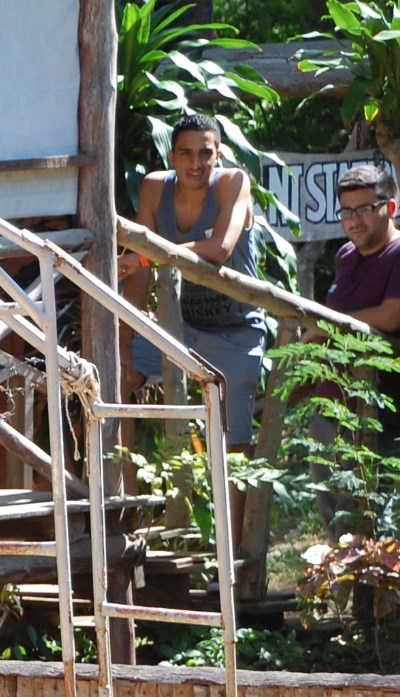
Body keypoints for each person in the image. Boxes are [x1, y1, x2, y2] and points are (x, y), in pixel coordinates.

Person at [119, 112, 266, 450]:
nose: (195, 162)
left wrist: (145, 256)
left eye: (205, 153)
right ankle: (122, 499)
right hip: (180, 328)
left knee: (233, 447)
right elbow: (139, 275)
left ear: (219, 154)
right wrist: (123, 341)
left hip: (235, 331)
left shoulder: (233, 182)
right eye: (186, 153)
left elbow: (220, 249)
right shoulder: (156, 188)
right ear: (172, 157)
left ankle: (232, 506)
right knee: (114, 379)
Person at [327, 161, 400, 449]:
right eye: (346, 211)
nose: (354, 220)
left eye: (365, 209)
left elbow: (393, 315)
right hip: (335, 408)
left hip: (391, 415)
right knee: (328, 494)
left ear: (391, 208)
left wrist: (323, 328)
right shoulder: (345, 255)